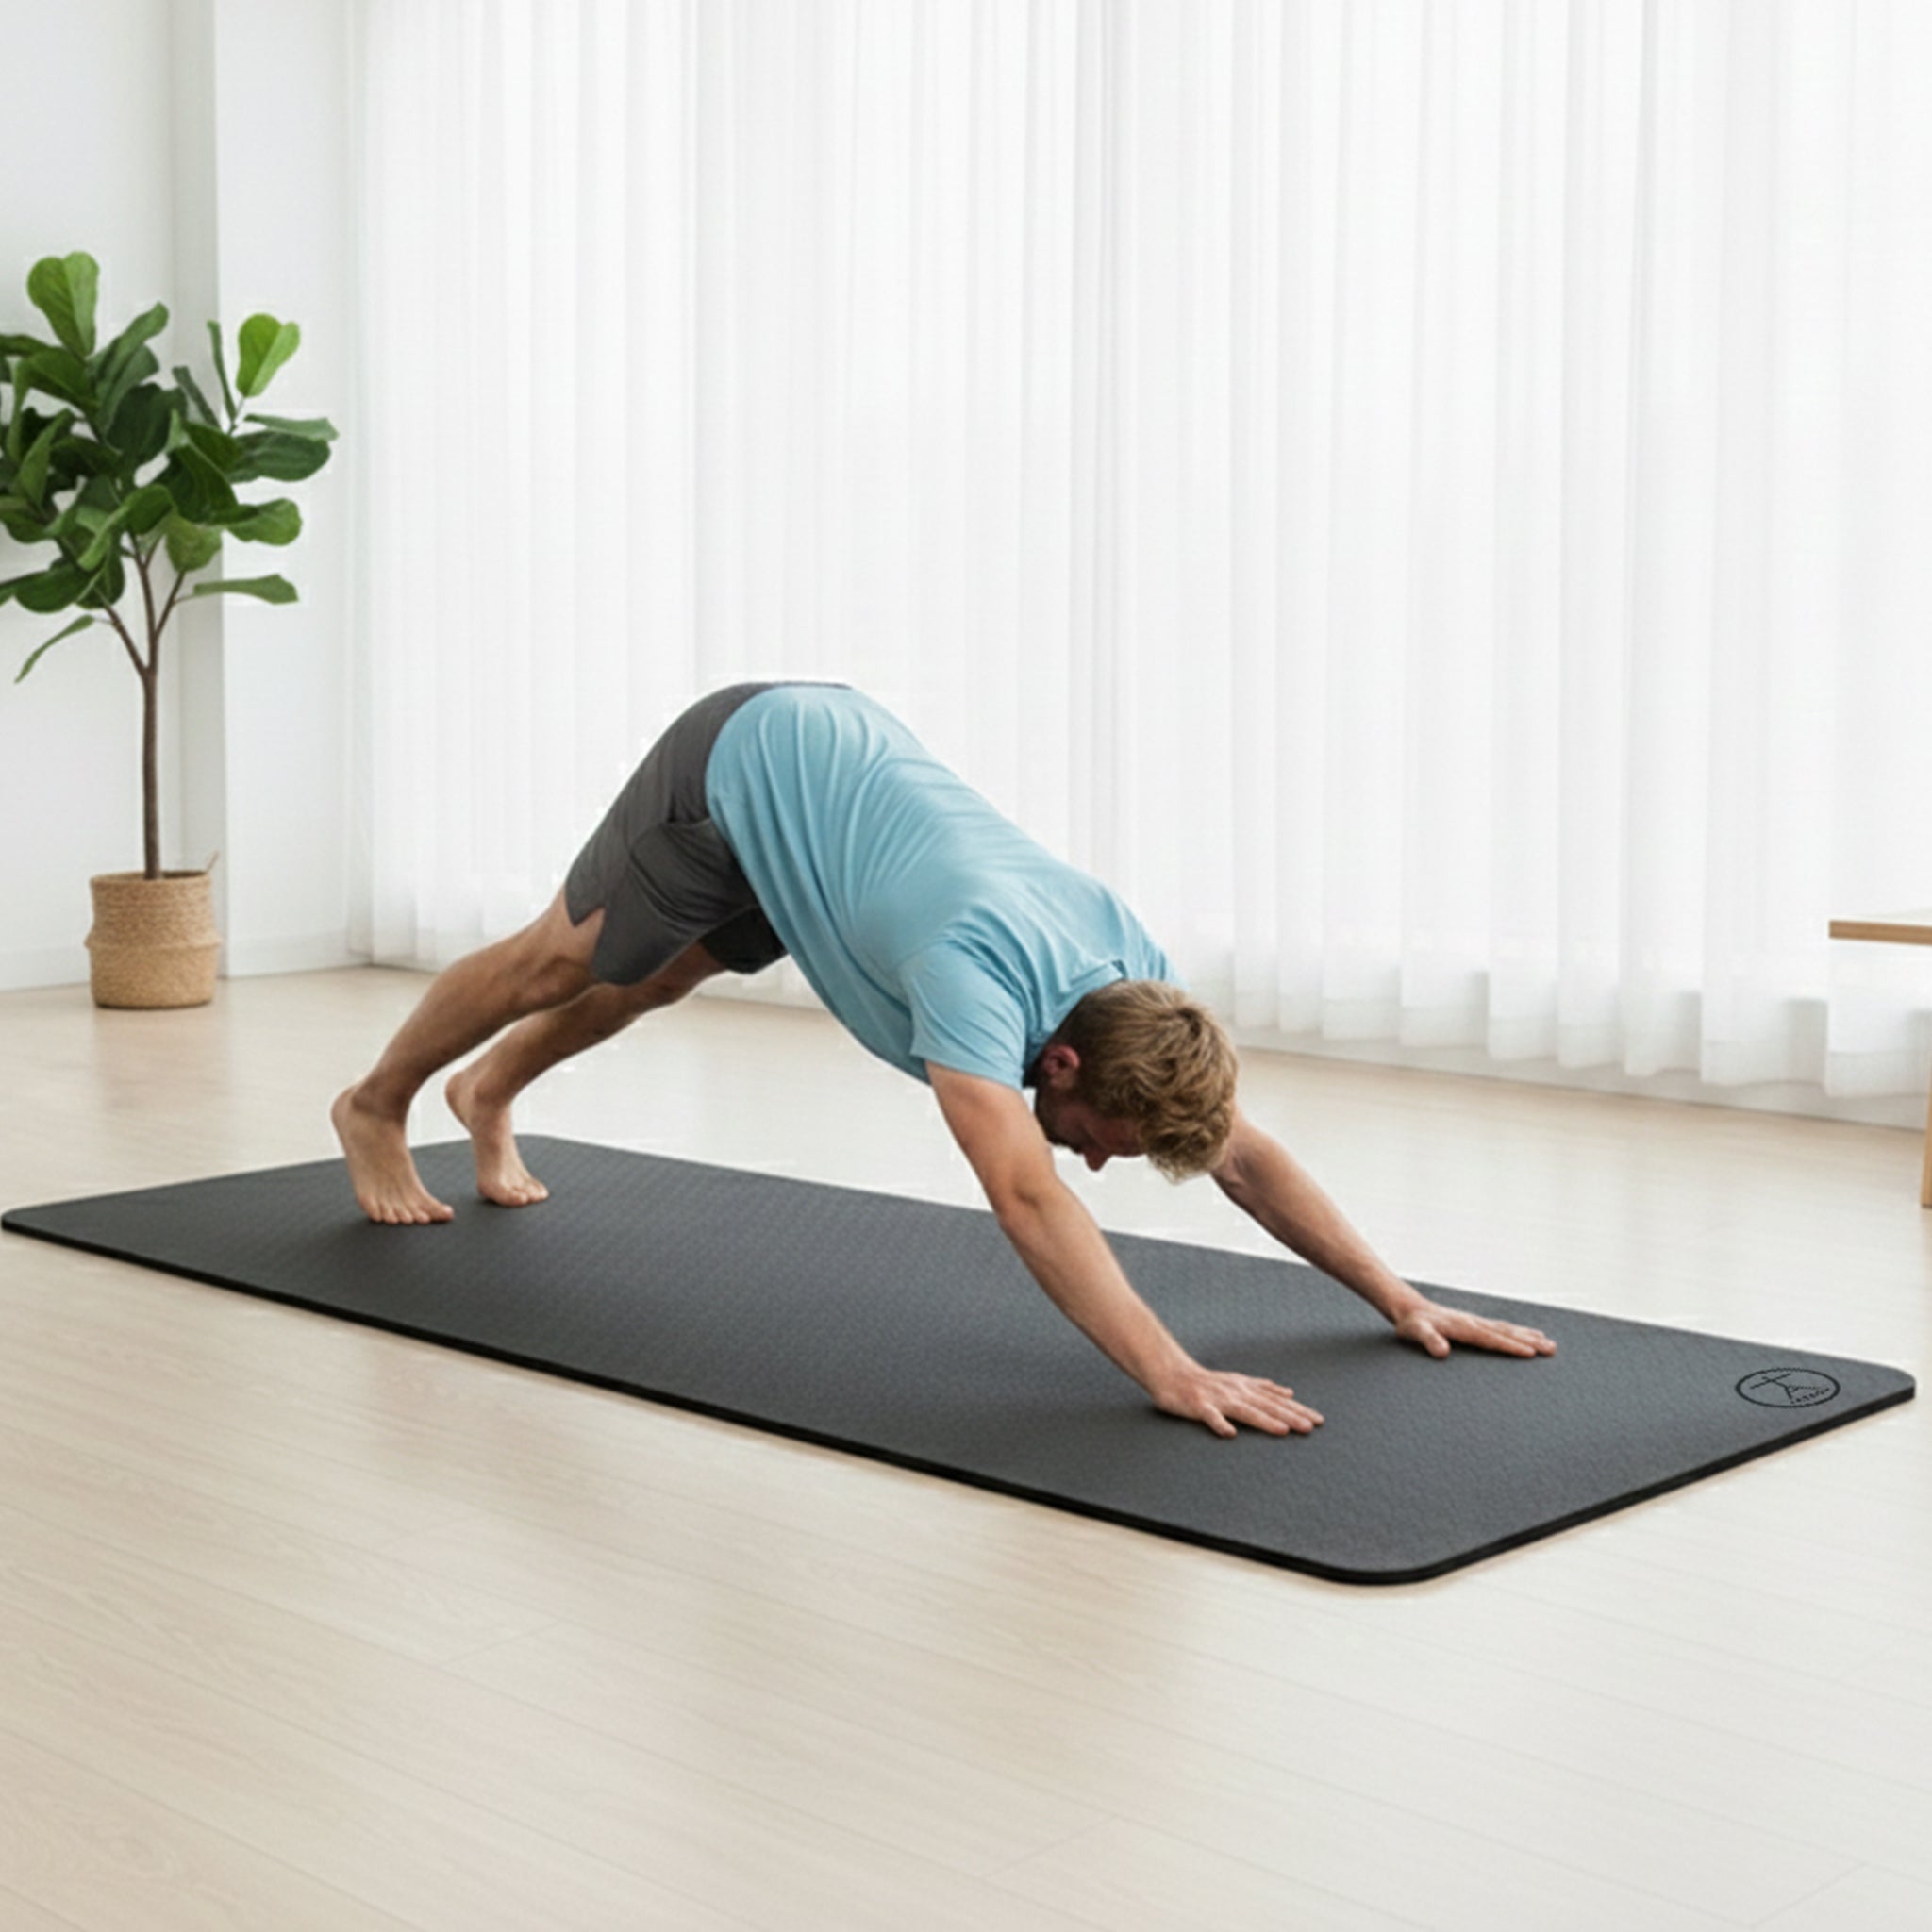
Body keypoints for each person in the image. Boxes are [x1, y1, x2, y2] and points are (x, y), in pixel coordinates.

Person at [333, 679, 1555, 1437]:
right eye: (1105, 1148)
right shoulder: (974, 988)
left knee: (657, 977)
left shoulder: (1131, 983)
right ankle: (377, 1103)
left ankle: (486, 1091)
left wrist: (1397, 1298)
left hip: (838, 789)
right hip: (743, 761)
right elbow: (1026, 1195)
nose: (1099, 1166)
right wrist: (1171, 1372)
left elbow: (1244, 1157)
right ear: (1060, 1071)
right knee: (567, 958)